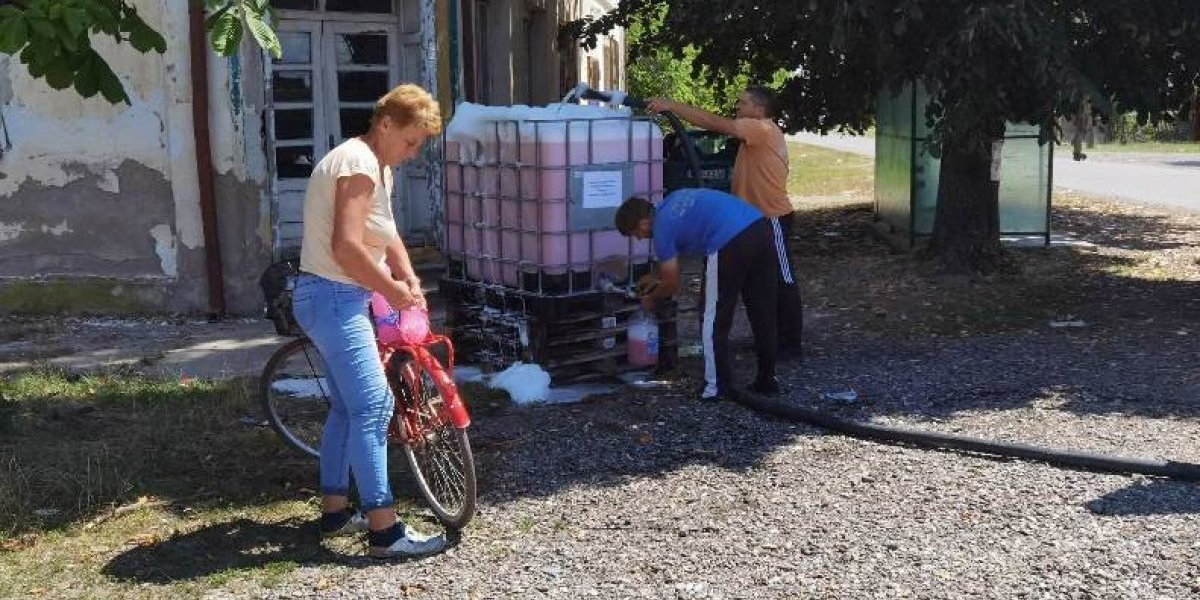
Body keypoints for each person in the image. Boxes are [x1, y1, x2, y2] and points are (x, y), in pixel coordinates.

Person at [292, 84, 445, 559]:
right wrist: (392, 290)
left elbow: (385, 231)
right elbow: (347, 247)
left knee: (347, 407)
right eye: (410, 140)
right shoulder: (358, 165)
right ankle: (384, 531)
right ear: (385, 124)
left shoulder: (376, 165)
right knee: (375, 407)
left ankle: (336, 510)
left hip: (331, 296)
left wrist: (408, 272)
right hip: (336, 296)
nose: (413, 152)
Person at [646, 87, 804, 360]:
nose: (737, 106)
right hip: (751, 222)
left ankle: (791, 344)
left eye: (743, 103)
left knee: (782, 278)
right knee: (757, 284)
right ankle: (770, 341)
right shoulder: (756, 133)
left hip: (772, 217)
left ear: (759, 109)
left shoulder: (761, 128)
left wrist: (673, 106)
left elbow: (714, 123)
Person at [616, 189, 788, 402]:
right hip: (759, 227)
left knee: (712, 317)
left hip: (727, 241)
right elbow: (671, 259)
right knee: (763, 310)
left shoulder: (661, 228)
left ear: (642, 224)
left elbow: (671, 284)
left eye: (636, 235)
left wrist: (650, 299)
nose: (640, 239)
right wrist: (654, 277)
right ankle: (767, 380)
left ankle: (716, 386)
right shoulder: (672, 202)